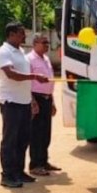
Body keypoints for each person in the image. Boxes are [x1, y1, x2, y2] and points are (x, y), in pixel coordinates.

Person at [0, 22, 49, 188]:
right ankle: (7, 175)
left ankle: (18, 171)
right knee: (10, 140)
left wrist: (31, 100)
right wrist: (34, 77)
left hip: (24, 101)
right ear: (11, 34)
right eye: (20, 33)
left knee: (23, 139)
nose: (24, 36)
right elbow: (11, 74)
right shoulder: (3, 52)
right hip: (11, 101)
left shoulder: (20, 51)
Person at [27, 33, 62, 176]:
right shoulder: (29, 60)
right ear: (35, 43)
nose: (47, 45)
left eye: (47, 42)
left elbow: (50, 81)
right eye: (43, 42)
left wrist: (52, 101)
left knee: (45, 133)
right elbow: (27, 83)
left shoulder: (46, 59)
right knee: (36, 133)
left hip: (47, 98)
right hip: (36, 98)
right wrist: (32, 101)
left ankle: (44, 161)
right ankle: (35, 164)